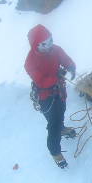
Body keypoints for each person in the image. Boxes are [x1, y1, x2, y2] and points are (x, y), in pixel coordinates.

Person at [24, 24, 77, 169]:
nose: (49, 45)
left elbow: (64, 58)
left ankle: (62, 128)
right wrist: (56, 76)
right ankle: (55, 152)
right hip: (45, 97)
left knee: (61, 111)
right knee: (53, 124)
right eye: (44, 44)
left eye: (50, 41)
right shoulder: (30, 62)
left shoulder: (55, 50)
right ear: (36, 45)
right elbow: (41, 81)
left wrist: (70, 66)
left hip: (59, 91)